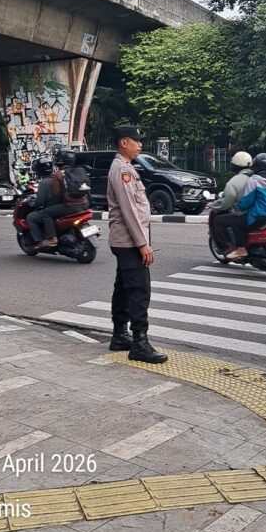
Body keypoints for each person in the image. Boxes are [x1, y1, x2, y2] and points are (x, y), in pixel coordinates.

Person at [107, 125, 167, 363]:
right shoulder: (123, 170)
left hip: (125, 240)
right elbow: (129, 210)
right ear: (123, 142)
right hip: (129, 241)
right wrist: (143, 244)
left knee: (123, 287)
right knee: (140, 290)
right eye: (136, 141)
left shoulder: (127, 168)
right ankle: (139, 343)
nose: (139, 145)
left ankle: (120, 335)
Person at [36, 149, 90, 248]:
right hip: (84, 204)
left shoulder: (59, 174)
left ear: (60, 160)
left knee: (46, 213)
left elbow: (57, 193)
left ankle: (52, 238)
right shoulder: (80, 171)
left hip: (70, 206)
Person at [210, 151, 253, 260]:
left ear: (235, 165)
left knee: (218, 221)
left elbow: (227, 202)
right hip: (261, 212)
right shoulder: (258, 177)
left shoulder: (234, 182)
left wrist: (214, 206)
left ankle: (234, 248)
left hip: (247, 214)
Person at [25, 157, 56, 246]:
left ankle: (40, 241)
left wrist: (34, 204)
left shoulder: (43, 183)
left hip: (53, 208)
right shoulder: (57, 178)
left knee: (31, 217)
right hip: (63, 205)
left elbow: (39, 202)